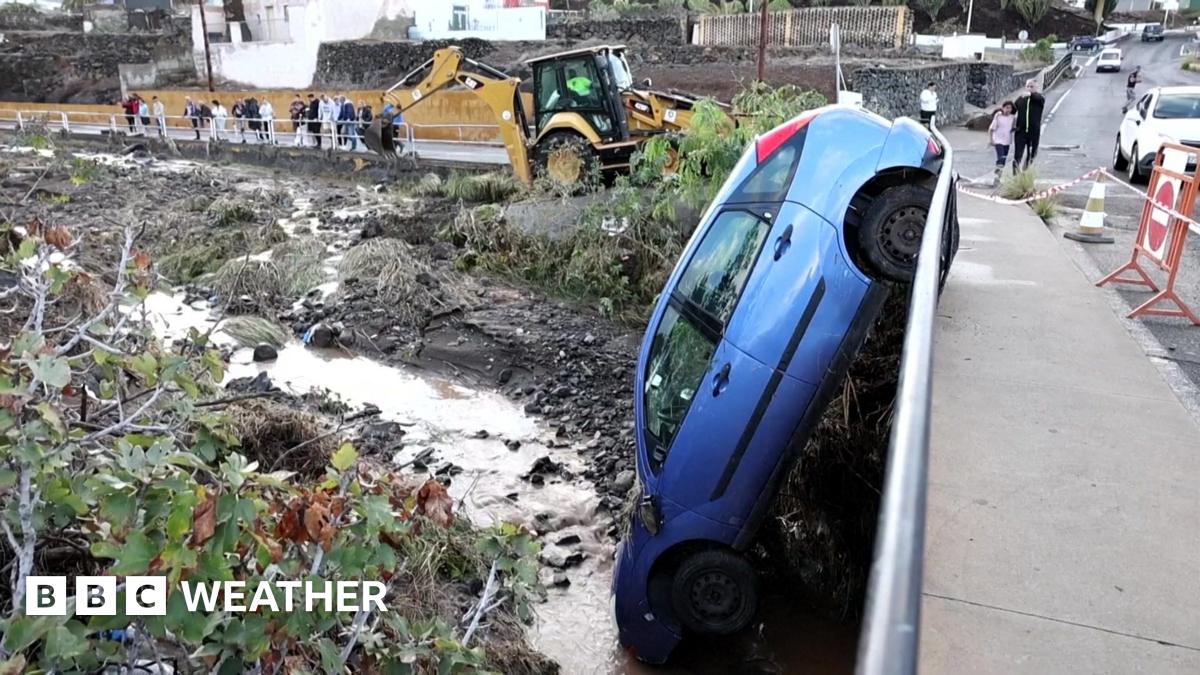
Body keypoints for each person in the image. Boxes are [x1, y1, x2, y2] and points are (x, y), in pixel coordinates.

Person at [1013, 79, 1045, 174]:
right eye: (1028, 86)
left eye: (1032, 87)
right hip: (1021, 132)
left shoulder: (1039, 98)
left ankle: (1025, 171)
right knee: (1018, 155)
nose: (1029, 88)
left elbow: (1039, 99)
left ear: (1036, 88)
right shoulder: (1021, 99)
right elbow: (1012, 109)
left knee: (1032, 154)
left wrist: (1031, 95)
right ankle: (1015, 175)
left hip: (1033, 132)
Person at [988, 101, 1016, 182]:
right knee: (1001, 155)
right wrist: (991, 140)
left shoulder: (1012, 117)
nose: (1008, 110)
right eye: (1006, 108)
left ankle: (999, 172)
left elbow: (1014, 127)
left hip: (1007, 140)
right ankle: (998, 170)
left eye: (1010, 108)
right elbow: (991, 129)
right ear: (1003, 108)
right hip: (998, 140)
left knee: (1004, 157)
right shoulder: (998, 116)